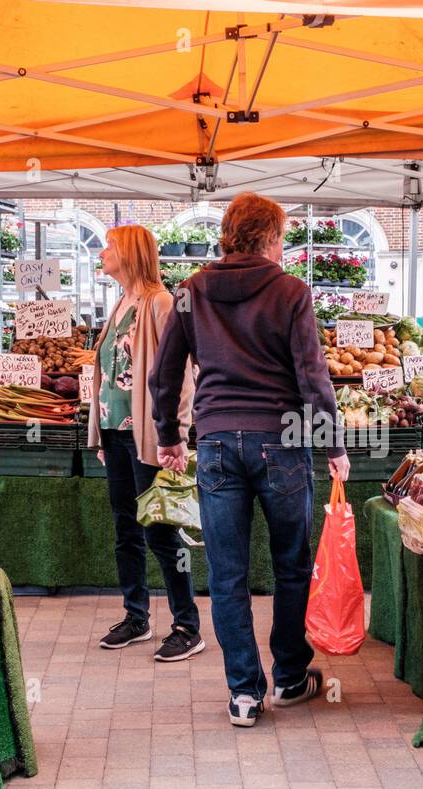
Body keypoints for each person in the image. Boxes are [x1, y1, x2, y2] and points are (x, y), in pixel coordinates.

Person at [149, 193, 350, 728]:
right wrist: (334, 445)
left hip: (214, 443)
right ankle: (288, 676)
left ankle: (243, 693)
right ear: (269, 237)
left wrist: (169, 435)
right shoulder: (290, 291)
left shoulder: (190, 292)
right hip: (281, 442)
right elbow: (313, 378)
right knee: (291, 566)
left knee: (227, 573)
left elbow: (165, 374)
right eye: (281, 235)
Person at [89, 224, 202, 662]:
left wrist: (177, 434)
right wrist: (100, 432)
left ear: (130, 253)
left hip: (150, 435)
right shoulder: (121, 302)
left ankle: (187, 624)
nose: (102, 253)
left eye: (110, 246)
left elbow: (183, 373)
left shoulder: (160, 303)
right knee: (125, 529)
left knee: (160, 530)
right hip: (117, 433)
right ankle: (136, 616)